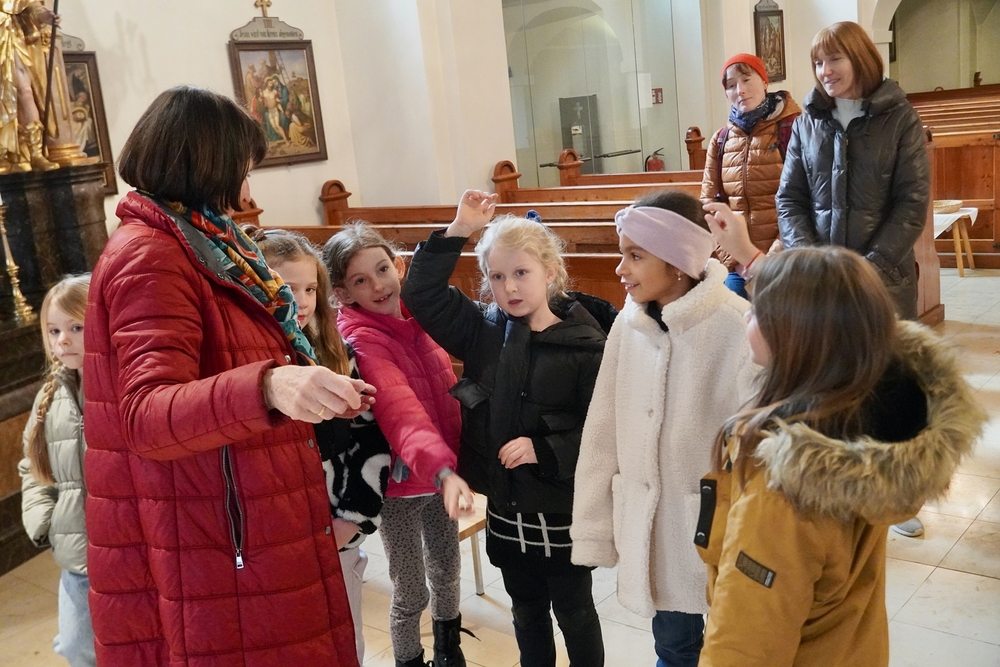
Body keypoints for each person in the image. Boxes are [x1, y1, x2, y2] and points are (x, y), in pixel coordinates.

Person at [83, 86, 372, 667]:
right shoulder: (152, 255)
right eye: (242, 167)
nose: (247, 187)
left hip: (243, 510)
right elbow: (146, 414)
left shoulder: (206, 240)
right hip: (212, 532)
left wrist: (309, 387)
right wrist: (269, 387)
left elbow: (229, 355)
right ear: (206, 163)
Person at [693, 247, 985, 667]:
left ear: (797, 335)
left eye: (758, 311)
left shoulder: (783, 491)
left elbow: (744, 647)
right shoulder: (871, 425)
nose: (746, 316)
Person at [402, 191, 617, 667]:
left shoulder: (588, 346)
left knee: (575, 612)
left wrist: (545, 447)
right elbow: (420, 295)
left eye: (521, 273)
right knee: (526, 612)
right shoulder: (482, 330)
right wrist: (460, 230)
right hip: (506, 506)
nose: (510, 288)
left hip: (560, 509)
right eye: (497, 277)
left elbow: (605, 432)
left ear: (550, 272)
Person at [571, 190, 758, 667]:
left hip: (712, 527)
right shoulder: (628, 326)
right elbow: (602, 430)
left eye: (635, 256)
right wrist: (593, 526)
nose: (621, 269)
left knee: (730, 647)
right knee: (674, 646)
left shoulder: (733, 324)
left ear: (677, 263)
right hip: (655, 532)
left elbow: (758, 439)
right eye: (622, 254)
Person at [775, 20, 931, 538]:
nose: (825, 71)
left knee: (887, 385)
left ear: (861, 59)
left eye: (835, 59)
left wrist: (867, 267)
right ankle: (835, 490)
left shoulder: (899, 118)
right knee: (827, 384)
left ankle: (896, 500)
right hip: (820, 283)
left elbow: (911, 203)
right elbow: (790, 199)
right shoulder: (808, 122)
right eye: (818, 62)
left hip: (883, 279)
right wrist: (811, 261)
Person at [324, 223, 474, 667]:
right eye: (360, 280)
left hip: (441, 478)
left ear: (399, 265)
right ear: (343, 293)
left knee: (447, 573)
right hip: (401, 488)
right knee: (410, 589)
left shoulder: (420, 316)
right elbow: (400, 409)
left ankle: (449, 655)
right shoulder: (362, 339)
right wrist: (442, 469)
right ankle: (409, 660)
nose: (378, 285)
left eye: (382, 269)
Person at [243, 225, 392, 664]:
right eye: (289, 288)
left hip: (334, 533)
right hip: (272, 539)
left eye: (310, 288)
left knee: (342, 642)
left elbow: (370, 441)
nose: (303, 300)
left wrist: (352, 519)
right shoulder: (245, 368)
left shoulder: (338, 355)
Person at [19, 275, 95, 667]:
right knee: (78, 646)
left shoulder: (124, 391)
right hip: (76, 554)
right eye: (54, 330)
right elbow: (32, 466)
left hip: (130, 552)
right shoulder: (49, 398)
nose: (63, 340)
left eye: (76, 327)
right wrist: (43, 519)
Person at [700, 53, 801, 299]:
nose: (740, 90)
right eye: (731, 85)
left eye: (746, 80)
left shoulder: (793, 129)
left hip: (786, 262)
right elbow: (709, 204)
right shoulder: (721, 140)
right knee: (730, 317)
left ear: (765, 81)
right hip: (737, 266)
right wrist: (735, 258)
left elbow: (803, 203)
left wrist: (768, 261)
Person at [0, 0, 60, 172]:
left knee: (25, 91)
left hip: (6, 32)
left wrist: (43, 15)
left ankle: (36, 154)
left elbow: (27, 3)